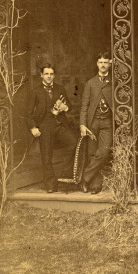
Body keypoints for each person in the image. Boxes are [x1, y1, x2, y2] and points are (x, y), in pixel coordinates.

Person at [25, 64, 77, 193]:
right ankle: (50, 183)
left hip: (59, 124)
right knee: (46, 156)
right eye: (46, 74)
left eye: (51, 74)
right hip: (44, 126)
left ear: (54, 75)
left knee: (74, 143)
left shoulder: (60, 88)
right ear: (41, 75)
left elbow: (69, 105)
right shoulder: (35, 91)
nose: (49, 76)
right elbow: (28, 113)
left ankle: (64, 174)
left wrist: (65, 108)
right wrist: (33, 127)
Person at [79, 52, 113, 194]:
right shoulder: (91, 83)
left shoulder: (114, 82)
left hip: (107, 123)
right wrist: (82, 124)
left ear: (110, 64)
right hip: (92, 123)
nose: (103, 65)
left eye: (106, 62)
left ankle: (84, 178)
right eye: (100, 62)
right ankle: (95, 185)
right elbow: (85, 106)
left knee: (103, 153)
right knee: (93, 153)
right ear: (97, 64)